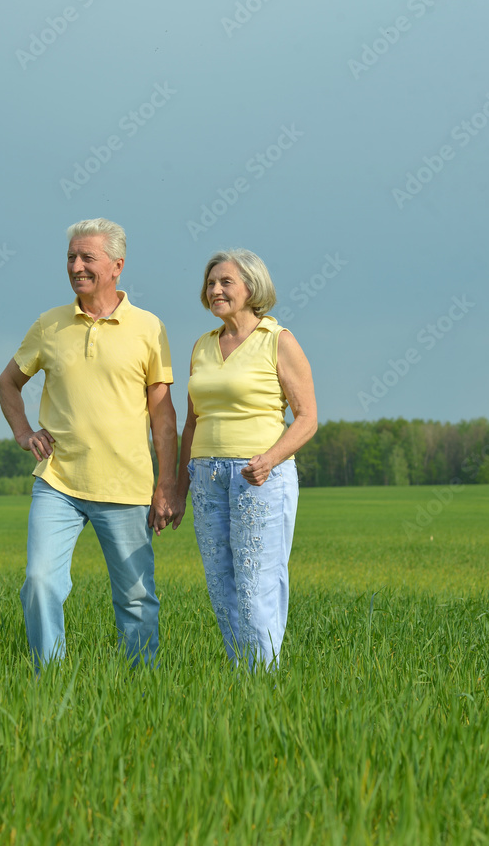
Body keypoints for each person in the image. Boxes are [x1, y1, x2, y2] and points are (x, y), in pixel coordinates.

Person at [0, 218, 177, 669]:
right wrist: (23, 432)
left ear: (117, 265)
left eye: (87, 258)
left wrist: (166, 485)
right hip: (58, 481)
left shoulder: (148, 328)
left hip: (125, 485)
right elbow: (7, 383)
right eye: (72, 258)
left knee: (136, 597)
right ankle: (49, 677)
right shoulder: (49, 324)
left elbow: (163, 416)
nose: (76, 266)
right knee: (40, 582)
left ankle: (142, 688)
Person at [176, 249, 317, 669]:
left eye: (225, 282)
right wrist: (176, 489)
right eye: (210, 283)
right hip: (205, 477)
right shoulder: (202, 346)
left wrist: (270, 458)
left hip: (258, 477)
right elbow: (190, 424)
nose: (215, 290)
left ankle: (263, 683)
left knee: (256, 586)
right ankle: (242, 677)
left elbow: (307, 418)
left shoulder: (278, 340)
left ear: (251, 288)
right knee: (222, 587)